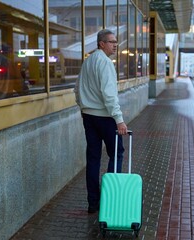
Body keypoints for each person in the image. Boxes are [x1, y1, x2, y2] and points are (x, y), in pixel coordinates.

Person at [75, 29, 128, 213]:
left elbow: (77, 88)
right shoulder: (105, 63)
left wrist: (83, 108)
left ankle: (93, 203)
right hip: (105, 118)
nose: (115, 45)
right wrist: (119, 120)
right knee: (117, 153)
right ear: (101, 43)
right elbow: (109, 95)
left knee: (93, 158)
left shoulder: (88, 61)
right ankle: (110, 198)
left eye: (116, 42)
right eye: (111, 42)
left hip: (89, 117)